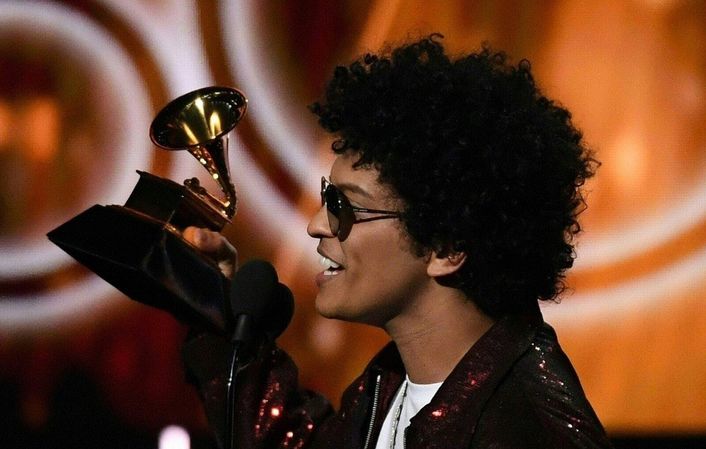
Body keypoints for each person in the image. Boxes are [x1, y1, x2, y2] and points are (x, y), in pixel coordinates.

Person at [182, 34, 613, 449]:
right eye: (326, 197)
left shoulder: (527, 431)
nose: (316, 225)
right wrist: (215, 309)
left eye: (343, 205)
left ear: (446, 247)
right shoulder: (390, 387)